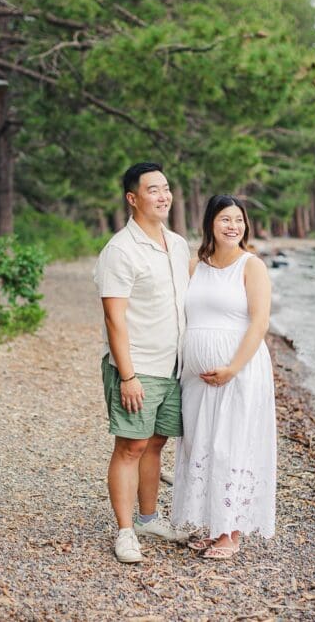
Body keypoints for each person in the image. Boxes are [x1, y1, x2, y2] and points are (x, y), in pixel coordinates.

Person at [94, 163, 191, 563]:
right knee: (131, 445)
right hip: (137, 366)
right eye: (153, 189)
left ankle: (149, 518)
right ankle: (125, 531)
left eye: (166, 188)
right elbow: (114, 319)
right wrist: (128, 376)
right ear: (133, 199)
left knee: (155, 444)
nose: (163, 195)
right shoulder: (120, 250)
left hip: (175, 366)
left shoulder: (179, 244)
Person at [171, 195, 276, 560]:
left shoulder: (252, 266)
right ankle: (212, 526)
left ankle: (231, 533)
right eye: (225, 219)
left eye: (238, 220)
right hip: (197, 378)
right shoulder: (193, 267)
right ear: (210, 225)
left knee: (229, 445)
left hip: (240, 371)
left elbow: (260, 322)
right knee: (200, 444)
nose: (233, 226)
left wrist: (232, 367)